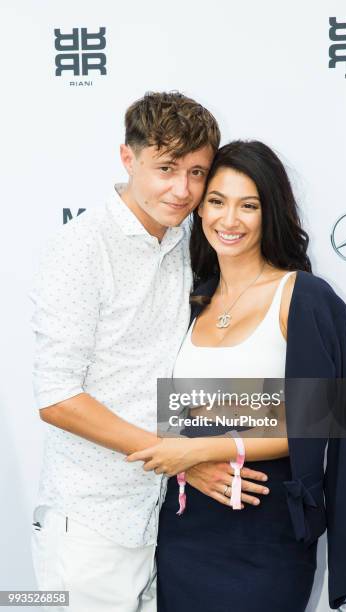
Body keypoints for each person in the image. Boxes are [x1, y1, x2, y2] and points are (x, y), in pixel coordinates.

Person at [30, 94, 270, 612]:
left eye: (196, 172)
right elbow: (57, 397)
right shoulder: (81, 248)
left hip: (167, 524)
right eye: (166, 168)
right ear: (127, 158)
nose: (182, 190)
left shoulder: (192, 240)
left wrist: (305, 413)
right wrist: (180, 459)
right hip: (89, 528)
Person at [127, 140, 346, 611]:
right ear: (199, 211)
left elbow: (330, 419)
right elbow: (168, 411)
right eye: (217, 202)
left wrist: (206, 446)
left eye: (249, 205)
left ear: (271, 212)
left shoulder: (304, 297)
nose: (230, 220)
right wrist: (189, 456)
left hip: (269, 533)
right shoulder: (188, 301)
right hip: (185, 527)